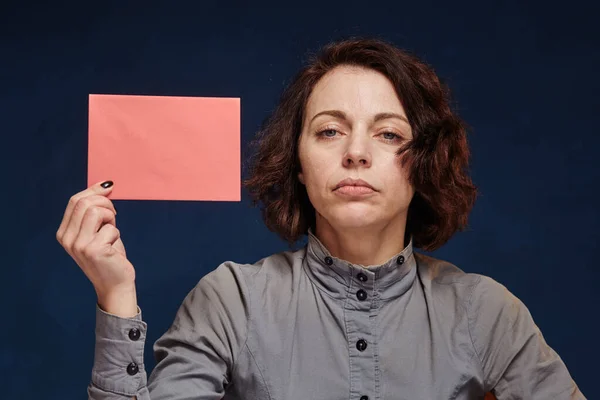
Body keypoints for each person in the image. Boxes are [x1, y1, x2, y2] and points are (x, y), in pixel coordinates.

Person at [56, 38, 586, 400]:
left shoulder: (486, 312)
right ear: (299, 165)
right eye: (330, 130)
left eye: (389, 134)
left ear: (423, 165)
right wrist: (116, 296)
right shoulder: (231, 299)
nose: (356, 152)